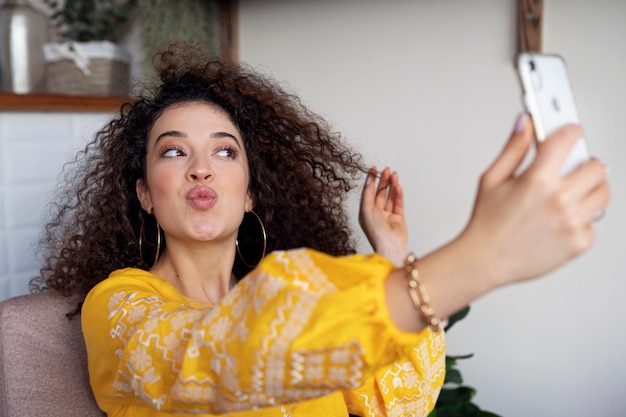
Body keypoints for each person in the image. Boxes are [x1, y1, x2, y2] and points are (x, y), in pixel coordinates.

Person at [33, 43, 610, 417]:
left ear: (252, 191)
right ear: (143, 194)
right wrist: (481, 257)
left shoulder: (300, 303)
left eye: (225, 152)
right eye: (174, 151)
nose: (201, 167)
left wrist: (391, 254)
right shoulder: (120, 305)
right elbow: (221, 354)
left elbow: (399, 402)